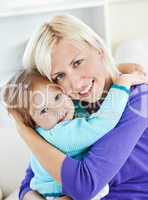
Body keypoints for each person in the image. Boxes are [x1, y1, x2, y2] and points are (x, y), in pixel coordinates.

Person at [10, 15, 148, 200]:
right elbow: (33, 177)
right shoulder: (68, 106)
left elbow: (84, 186)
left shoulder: (139, 100)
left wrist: (24, 130)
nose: (75, 84)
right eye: (59, 76)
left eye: (77, 63)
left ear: (98, 48)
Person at [3, 66, 144, 199]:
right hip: (56, 193)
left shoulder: (55, 122)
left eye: (57, 97)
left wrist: (119, 67)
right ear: (33, 123)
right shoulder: (58, 133)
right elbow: (103, 122)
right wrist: (122, 83)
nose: (57, 110)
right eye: (43, 110)